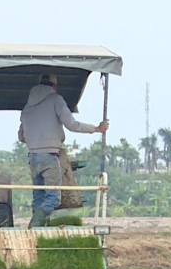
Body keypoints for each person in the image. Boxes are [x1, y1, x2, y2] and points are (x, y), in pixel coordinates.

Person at [19, 73, 109, 228]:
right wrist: (96, 129)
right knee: (54, 197)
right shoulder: (56, 100)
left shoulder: (27, 107)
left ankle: (39, 231)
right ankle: (35, 225)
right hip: (50, 156)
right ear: (54, 86)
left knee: (38, 197)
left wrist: (37, 138)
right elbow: (72, 125)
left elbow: (21, 136)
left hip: (32, 156)